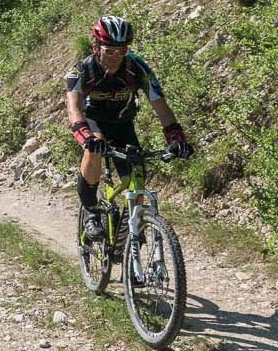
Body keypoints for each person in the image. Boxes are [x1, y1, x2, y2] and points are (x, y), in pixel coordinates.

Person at [65, 15, 194, 241]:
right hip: (94, 122)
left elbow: (161, 108)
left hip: (123, 123)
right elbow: (74, 109)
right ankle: (91, 212)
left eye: (122, 50)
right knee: (94, 147)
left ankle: (128, 234)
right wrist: (85, 137)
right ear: (96, 47)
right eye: (110, 50)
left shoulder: (138, 69)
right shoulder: (81, 71)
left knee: (138, 177)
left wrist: (176, 139)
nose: (116, 56)